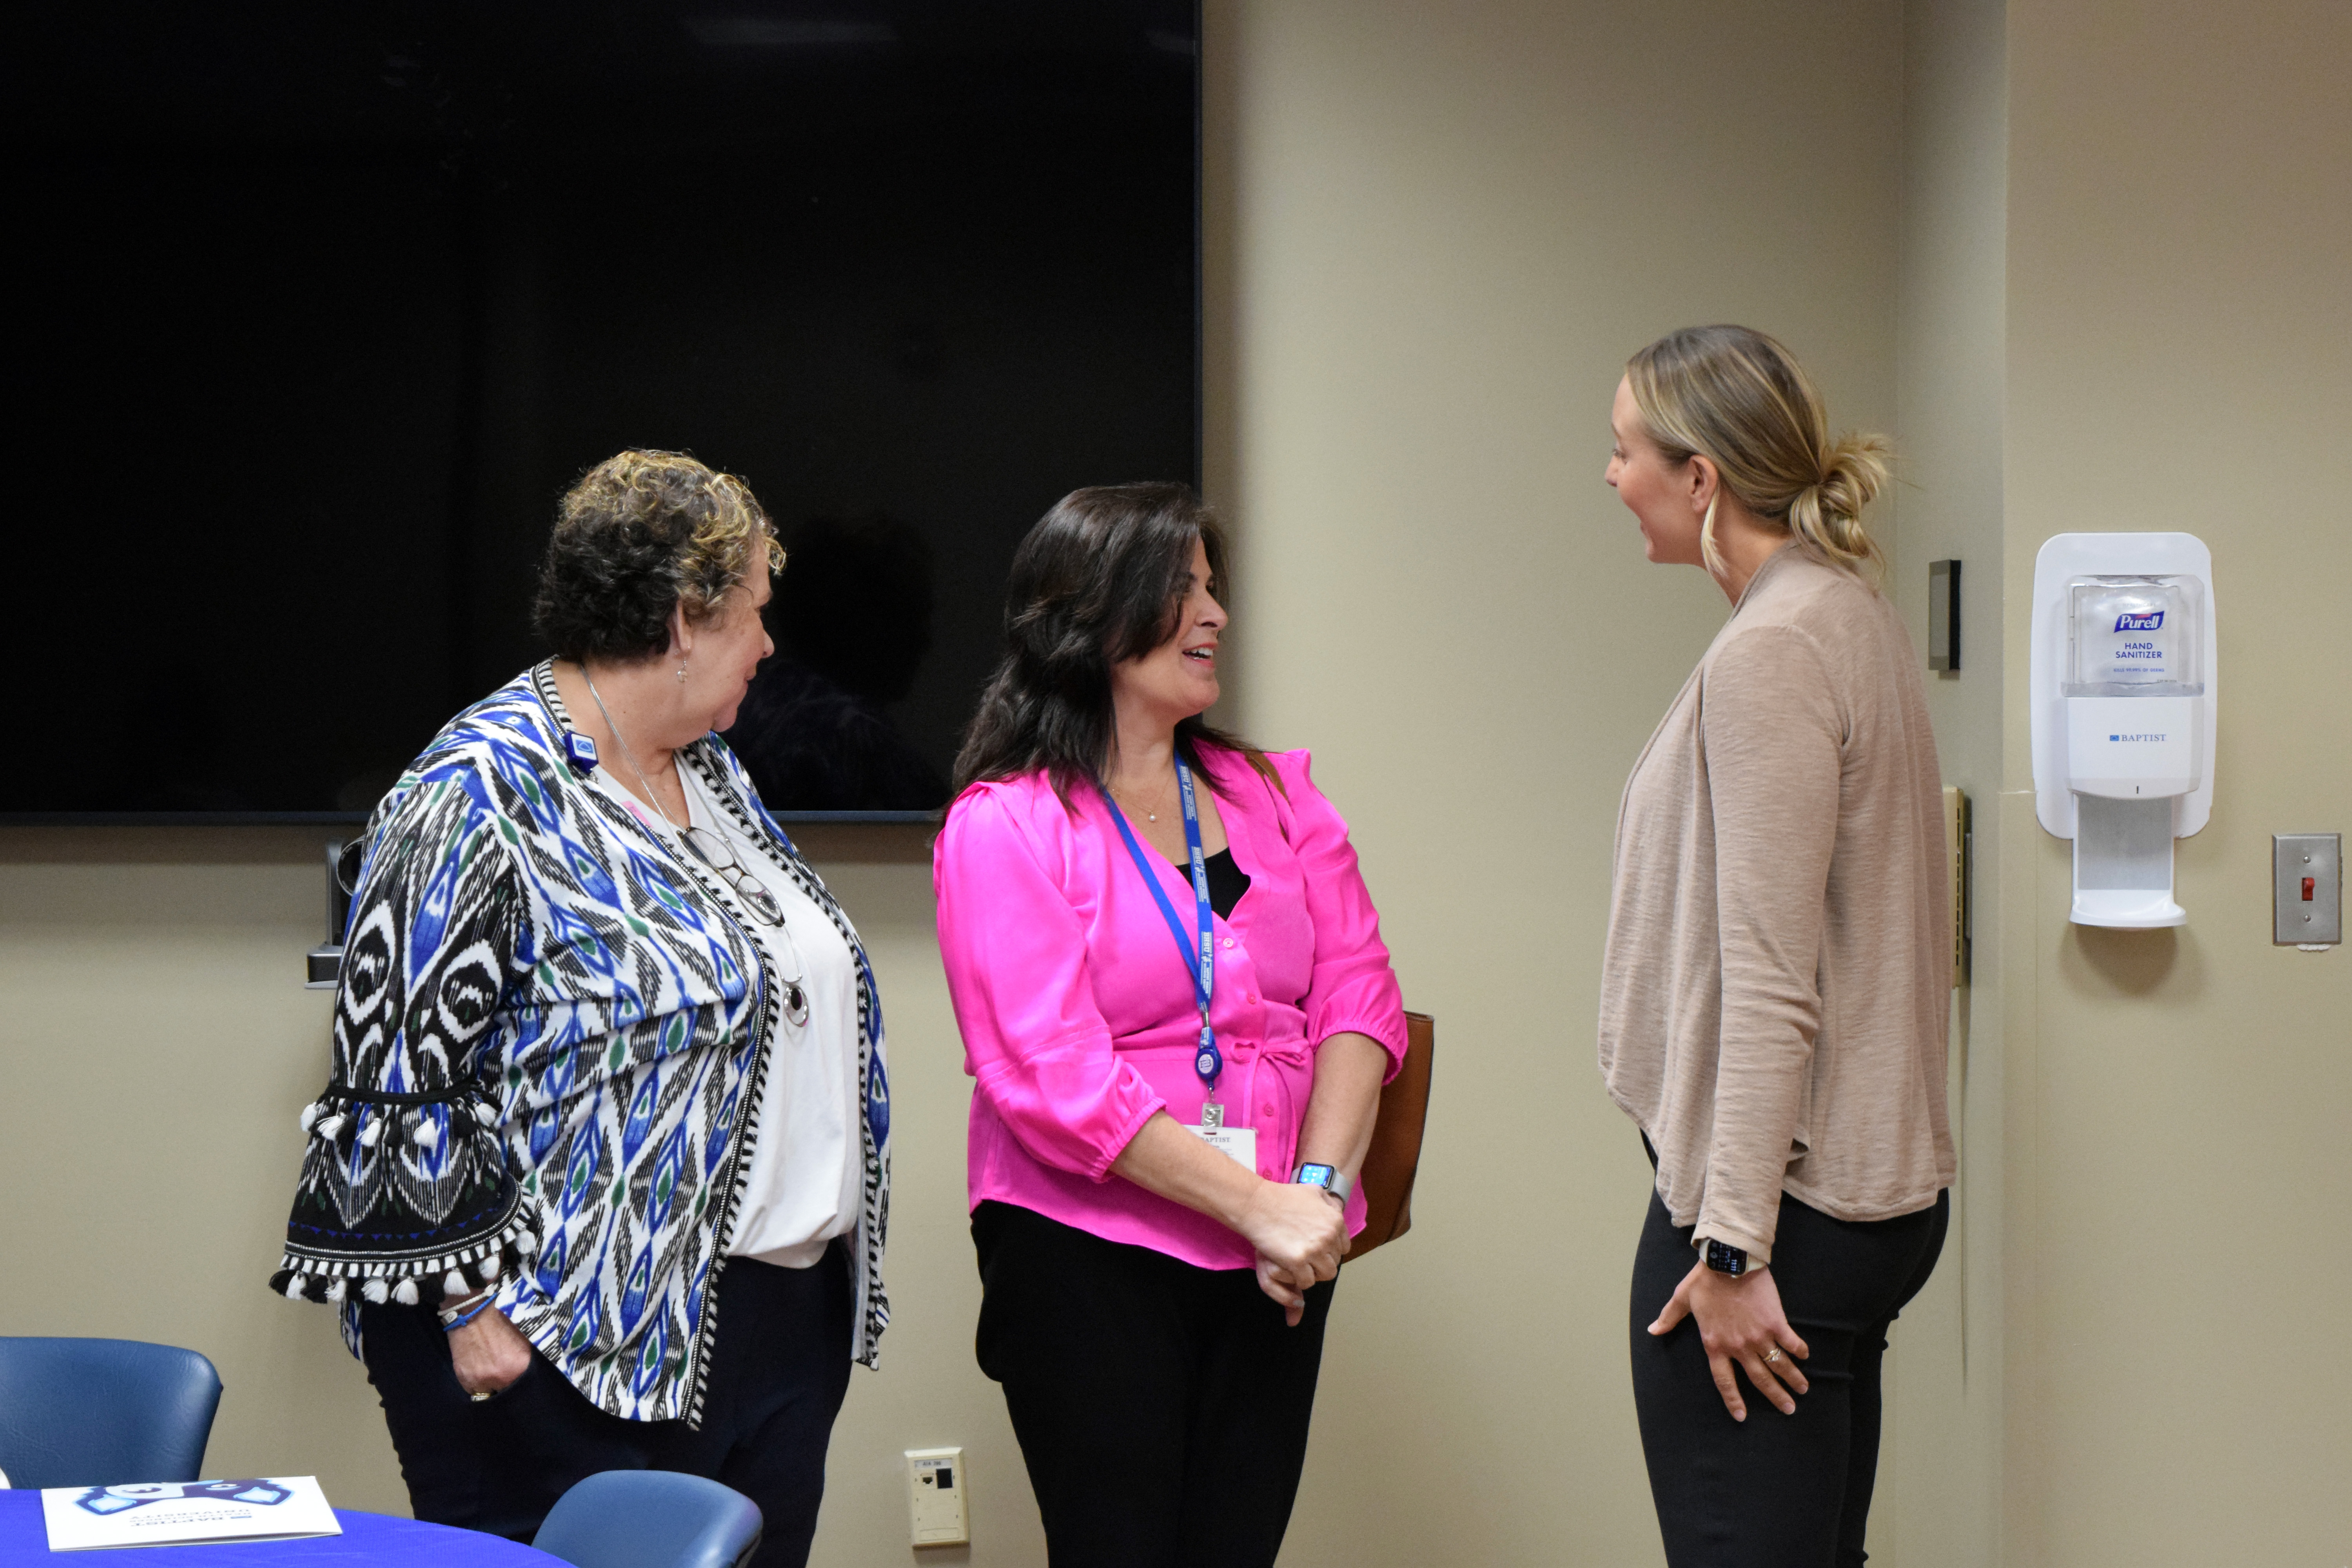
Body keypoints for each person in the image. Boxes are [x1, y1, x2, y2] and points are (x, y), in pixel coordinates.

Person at [269, 450, 891, 1566]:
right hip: (568, 1345)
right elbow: (390, 1075)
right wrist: (468, 1311)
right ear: (683, 618)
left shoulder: (708, 771)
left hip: (770, 1329)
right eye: (753, 613)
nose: (769, 645)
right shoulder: (474, 790)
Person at [934, 483, 1406, 1568]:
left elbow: (1358, 1001)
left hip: (1283, 1247)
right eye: (1183, 589)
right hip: (1091, 1252)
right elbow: (1048, 1071)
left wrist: (1317, 1200)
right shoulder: (1008, 824)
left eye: (1212, 587)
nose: (1216, 615)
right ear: (1093, 618)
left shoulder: (1277, 797)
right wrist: (1261, 1208)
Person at [1597, 325, 1955, 1567]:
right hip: (1868, 1204)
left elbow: (1769, 977)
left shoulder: (1773, 651)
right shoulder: (1846, 609)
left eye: (1624, 447)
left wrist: (1732, 1246)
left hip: (1781, 1218)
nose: (1610, 475)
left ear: (1702, 479)